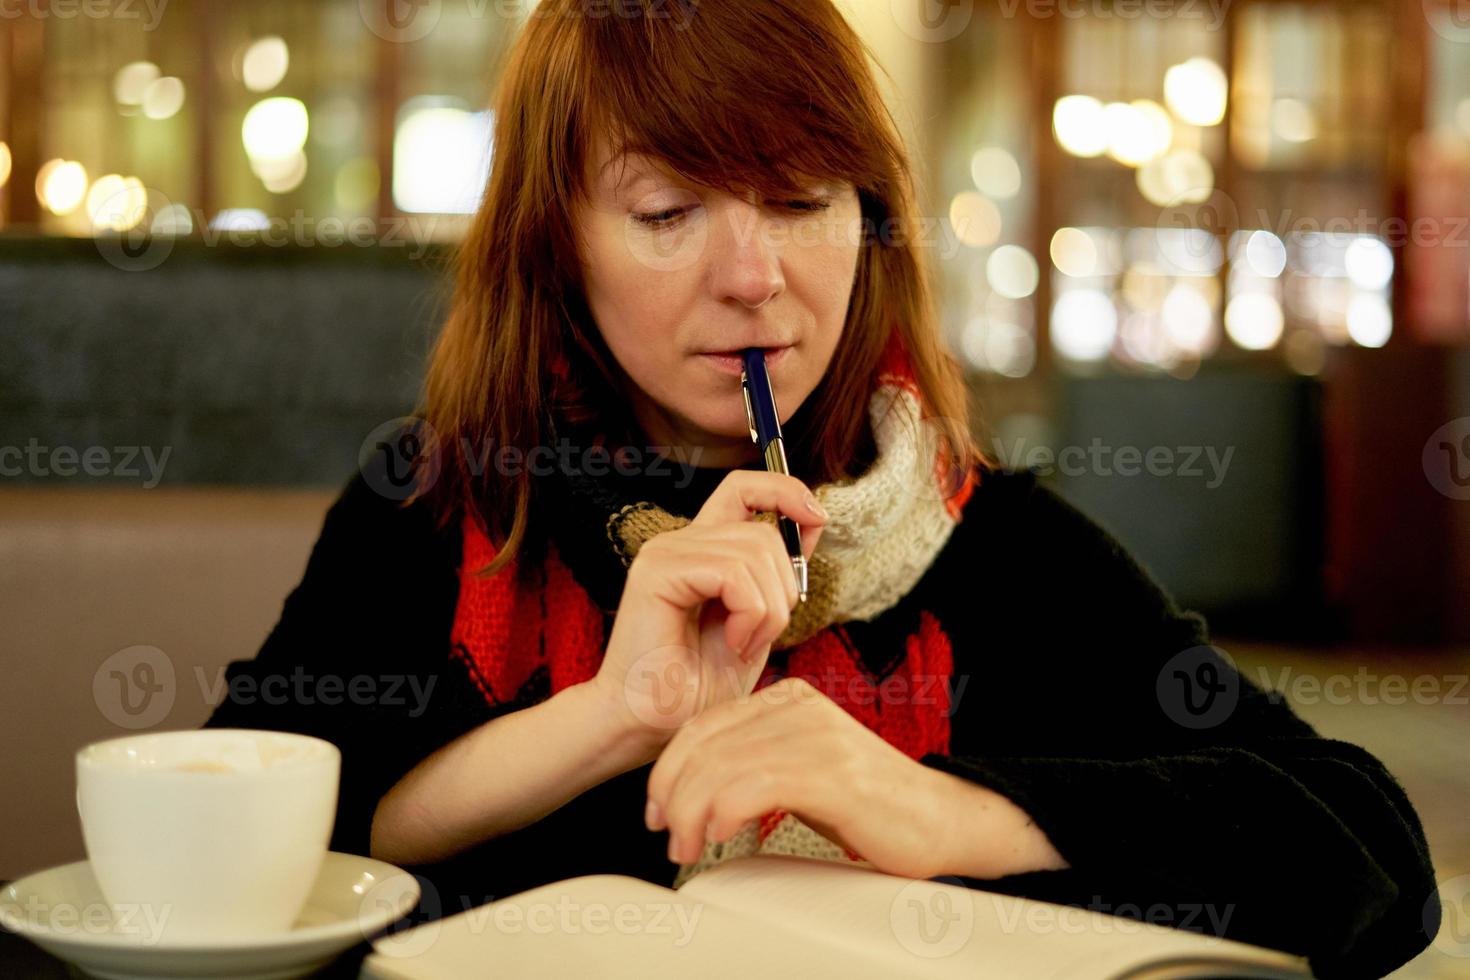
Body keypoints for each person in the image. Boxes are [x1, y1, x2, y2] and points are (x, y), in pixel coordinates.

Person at [202, 2, 1440, 976]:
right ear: (555, 240)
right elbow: (246, 826)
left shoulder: (989, 539)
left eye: (801, 199)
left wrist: (938, 808)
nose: (753, 274)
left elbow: (1371, 845)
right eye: (667, 208)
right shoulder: (445, 498)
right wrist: (615, 713)